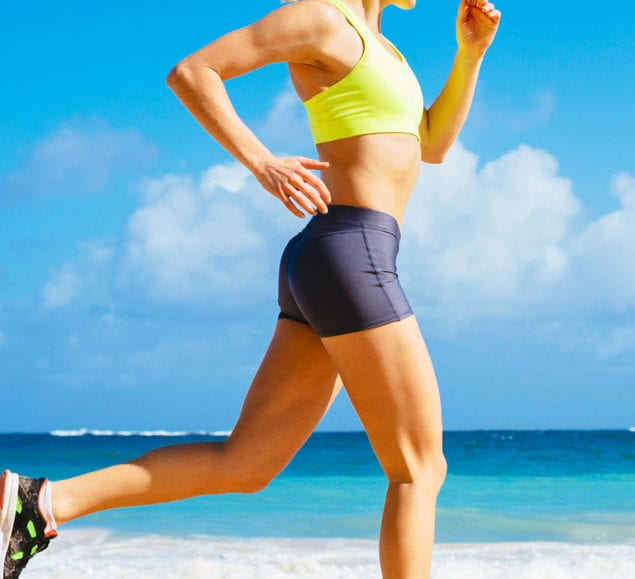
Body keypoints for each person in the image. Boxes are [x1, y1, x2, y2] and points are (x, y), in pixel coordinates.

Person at [1, 0, 501, 576]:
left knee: (247, 463)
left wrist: (470, 54)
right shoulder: (321, 18)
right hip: (351, 251)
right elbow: (193, 72)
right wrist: (262, 163)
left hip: (337, 257)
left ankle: (41, 503)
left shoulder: (383, 46)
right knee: (419, 468)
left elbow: (432, 145)